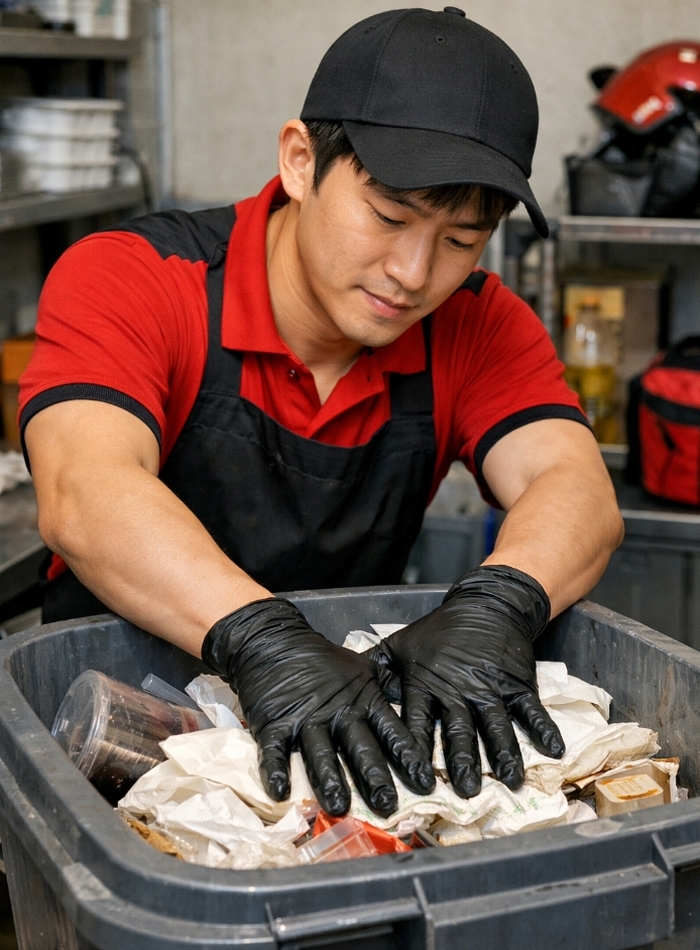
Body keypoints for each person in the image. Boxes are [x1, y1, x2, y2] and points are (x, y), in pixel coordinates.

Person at [19, 7, 623, 819]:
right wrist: (262, 641)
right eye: (390, 216)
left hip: (338, 739)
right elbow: (84, 489)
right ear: (301, 161)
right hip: (115, 729)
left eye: (460, 240)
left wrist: (500, 603)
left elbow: (571, 480)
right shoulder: (135, 278)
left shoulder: (478, 322)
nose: (412, 273)